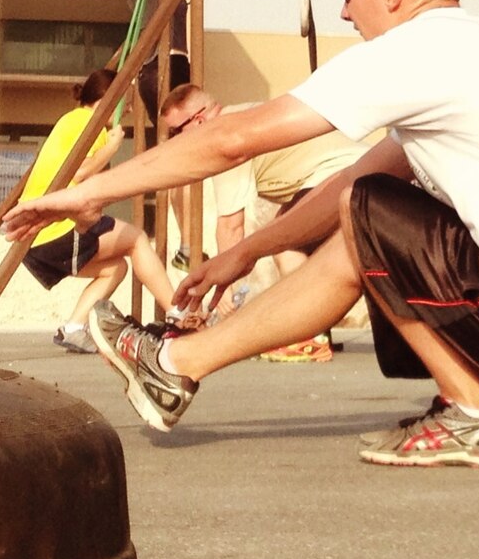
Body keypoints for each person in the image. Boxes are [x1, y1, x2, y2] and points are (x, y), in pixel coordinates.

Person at [3, 0, 479, 468]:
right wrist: (246, 252)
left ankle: (477, 415)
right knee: (371, 207)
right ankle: (175, 366)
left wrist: (82, 194)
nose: (342, 10)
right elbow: (360, 175)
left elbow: (233, 140)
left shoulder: (415, 52)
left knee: (369, 216)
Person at [155, 80, 368, 362]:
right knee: (288, 231)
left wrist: (225, 290)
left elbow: (231, 226)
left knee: (286, 244)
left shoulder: (225, 134)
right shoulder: (243, 114)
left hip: (345, 173)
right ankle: (315, 329)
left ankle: (310, 338)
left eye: (175, 132)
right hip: (358, 168)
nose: (174, 141)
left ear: (199, 119)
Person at [17, 67, 176, 351]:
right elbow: (79, 173)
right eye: (125, 99)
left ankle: (75, 328)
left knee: (115, 268)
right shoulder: (89, 124)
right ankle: (177, 313)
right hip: (57, 229)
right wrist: (113, 147)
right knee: (137, 239)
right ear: (107, 100)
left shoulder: (71, 120)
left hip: (38, 238)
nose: (129, 106)